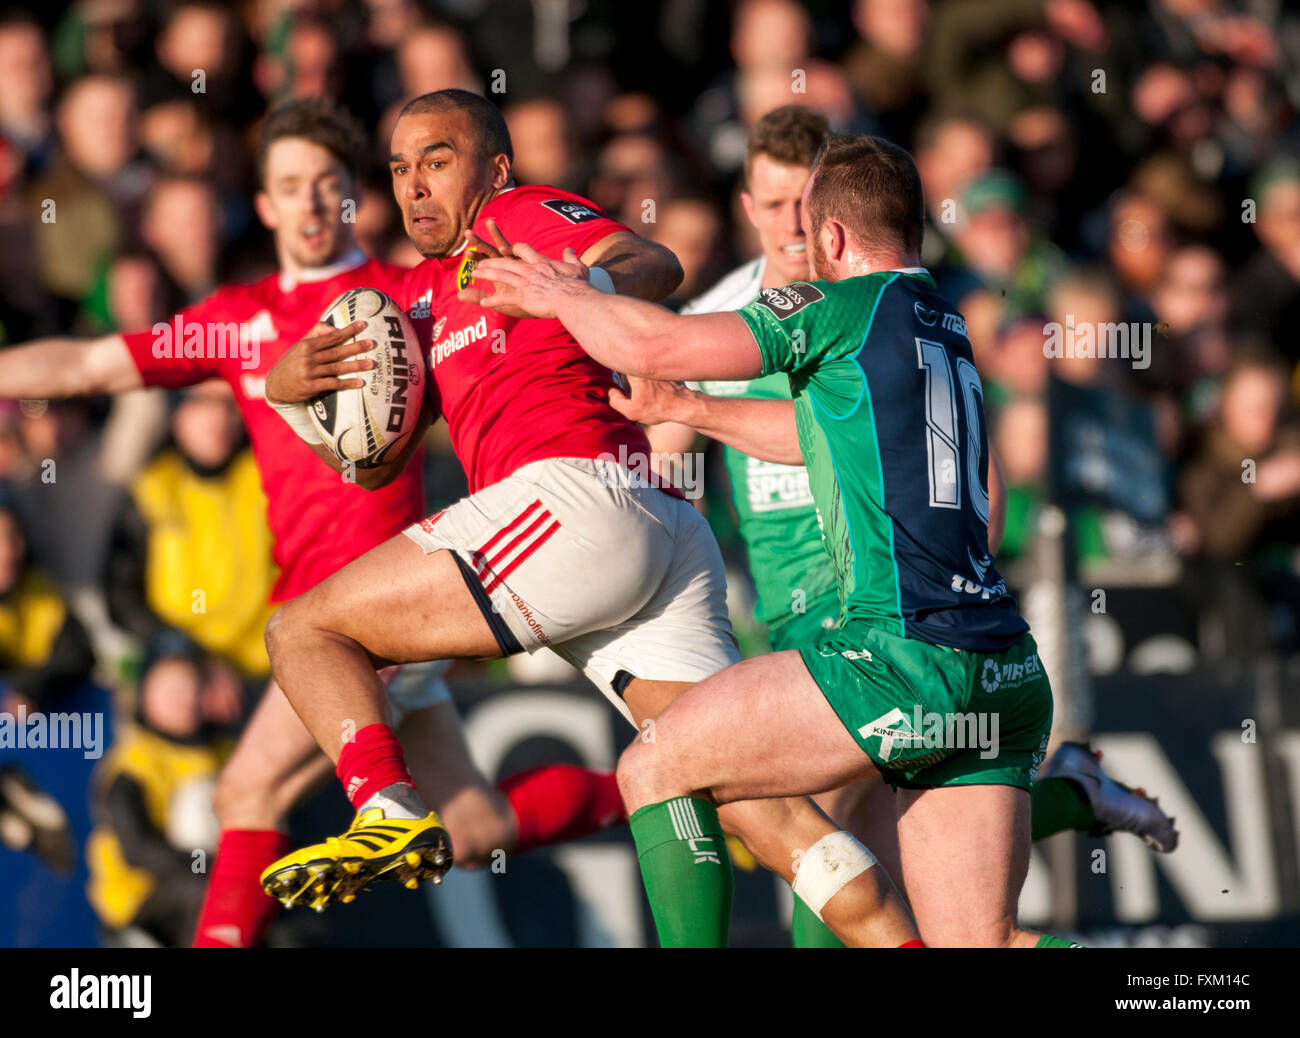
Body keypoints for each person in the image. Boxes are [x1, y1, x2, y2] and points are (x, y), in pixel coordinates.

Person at [261, 89, 918, 948]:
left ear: (493, 167)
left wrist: (577, 288)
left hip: (577, 500)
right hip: (649, 532)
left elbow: (653, 263)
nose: (414, 186)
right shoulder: (419, 300)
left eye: (436, 161)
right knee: (749, 801)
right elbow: (376, 461)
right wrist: (288, 390)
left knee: (304, 630)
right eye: (398, 169)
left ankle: (388, 808)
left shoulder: (515, 217)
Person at [0, 97, 629, 947]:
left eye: (325, 184)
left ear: (349, 199)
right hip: (348, 612)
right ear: (260, 204)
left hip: (371, 608)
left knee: (244, 795)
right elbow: (82, 363)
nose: (306, 204)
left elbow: (528, 330)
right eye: (286, 186)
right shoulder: (235, 323)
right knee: (475, 831)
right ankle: (673, 782)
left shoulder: (412, 294)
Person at [471, 133, 1081, 948]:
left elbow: (647, 342)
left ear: (830, 238)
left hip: (897, 658)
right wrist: (689, 407)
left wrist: (563, 292)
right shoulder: (940, 320)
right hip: (1000, 670)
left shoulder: (836, 309)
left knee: (654, 767)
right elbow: (820, 431)